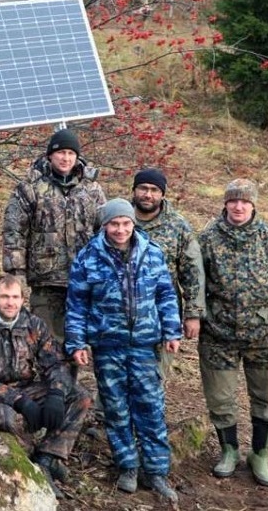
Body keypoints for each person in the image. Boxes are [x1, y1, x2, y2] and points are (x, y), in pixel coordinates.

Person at [65, 198, 182, 502]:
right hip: (107, 345)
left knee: (151, 408)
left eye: (126, 223)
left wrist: (172, 330)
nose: (120, 229)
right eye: (114, 224)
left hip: (145, 345)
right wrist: (77, 342)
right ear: (105, 225)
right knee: (116, 409)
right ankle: (127, 466)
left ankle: (155, 471)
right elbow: (77, 304)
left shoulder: (152, 254)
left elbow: (166, 294)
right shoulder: (88, 257)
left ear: (133, 224)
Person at [197, 179, 268, 486]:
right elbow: (194, 282)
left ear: (253, 205)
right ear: (225, 203)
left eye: (245, 202)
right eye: (233, 201)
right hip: (218, 335)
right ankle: (229, 451)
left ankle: (260, 455)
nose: (238, 206)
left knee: (264, 399)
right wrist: (198, 316)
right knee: (221, 398)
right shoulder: (208, 238)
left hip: (263, 335)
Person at [0, 273, 91, 497]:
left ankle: (48, 457)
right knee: (8, 418)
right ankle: (29, 460)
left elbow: (55, 363)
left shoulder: (33, 324)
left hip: (26, 386)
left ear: (22, 299)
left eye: (15, 297)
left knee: (80, 396)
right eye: (4, 297)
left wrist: (56, 394)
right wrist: (20, 401)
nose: (10, 302)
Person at [2, 128, 106, 371]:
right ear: (50, 156)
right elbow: (13, 233)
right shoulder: (30, 188)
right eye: (60, 153)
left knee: (76, 342)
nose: (66, 158)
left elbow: (104, 233)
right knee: (45, 342)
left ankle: (67, 392)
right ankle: (47, 392)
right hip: (45, 280)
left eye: (71, 153)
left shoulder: (92, 190)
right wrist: (15, 276)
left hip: (83, 281)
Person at [131, 168, 205, 370]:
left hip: (162, 314)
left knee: (155, 380)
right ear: (134, 190)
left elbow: (193, 272)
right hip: (119, 316)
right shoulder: (118, 219)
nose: (148, 194)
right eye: (143, 188)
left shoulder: (178, 226)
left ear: (162, 194)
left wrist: (193, 314)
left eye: (154, 190)